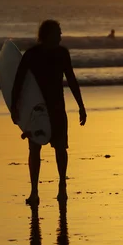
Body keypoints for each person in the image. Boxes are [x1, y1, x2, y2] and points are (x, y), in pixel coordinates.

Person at [11, 19, 87, 205]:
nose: (61, 35)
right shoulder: (32, 54)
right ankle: (34, 191)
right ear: (48, 34)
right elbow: (19, 81)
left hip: (56, 108)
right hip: (37, 109)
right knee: (35, 149)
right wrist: (14, 107)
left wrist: (81, 105)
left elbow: (71, 79)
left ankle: (62, 186)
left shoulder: (62, 54)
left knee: (61, 149)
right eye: (58, 32)